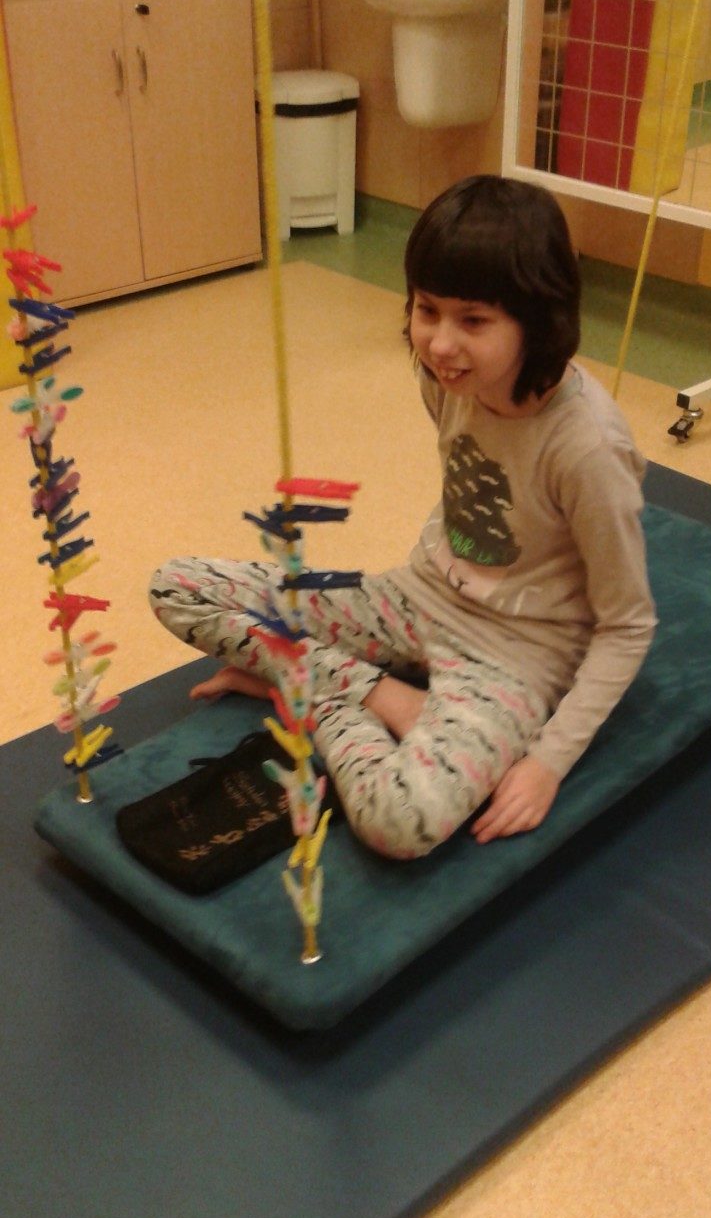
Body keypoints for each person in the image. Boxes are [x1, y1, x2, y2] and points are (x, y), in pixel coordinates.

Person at [149, 175, 656, 860]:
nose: (440, 343)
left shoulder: (587, 449)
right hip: (413, 599)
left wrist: (547, 763)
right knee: (176, 586)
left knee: (398, 822)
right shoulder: (445, 379)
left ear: (537, 320)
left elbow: (628, 626)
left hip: (515, 656)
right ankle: (368, 693)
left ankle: (316, 696)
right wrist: (381, 693)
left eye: (473, 321)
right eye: (427, 310)